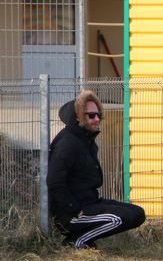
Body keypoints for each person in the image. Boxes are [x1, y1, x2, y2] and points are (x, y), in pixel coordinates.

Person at [47, 90, 145, 248]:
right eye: (91, 115)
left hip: (90, 202)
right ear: (79, 117)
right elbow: (54, 182)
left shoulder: (86, 140)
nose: (97, 119)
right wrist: (74, 209)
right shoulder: (67, 143)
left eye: (98, 114)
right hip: (69, 213)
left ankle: (83, 238)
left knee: (137, 213)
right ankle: (76, 242)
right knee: (119, 218)